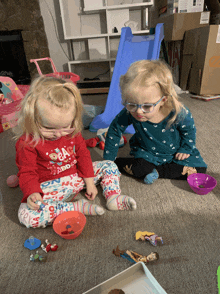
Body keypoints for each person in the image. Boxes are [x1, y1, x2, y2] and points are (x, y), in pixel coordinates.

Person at [14, 76, 136, 228]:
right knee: (27, 215)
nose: (59, 134)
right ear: (32, 118)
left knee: (109, 165)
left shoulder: (73, 133)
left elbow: (83, 155)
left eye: (66, 126)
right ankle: (76, 207)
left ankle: (113, 197)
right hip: (49, 187)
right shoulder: (27, 142)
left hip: (76, 176)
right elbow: (27, 172)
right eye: (49, 128)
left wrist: (89, 182)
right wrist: (33, 193)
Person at [103, 60, 207, 184]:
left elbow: (189, 131)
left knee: (199, 170)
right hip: (147, 152)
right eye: (131, 104)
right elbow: (115, 129)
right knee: (139, 169)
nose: (139, 112)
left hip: (176, 153)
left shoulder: (178, 112)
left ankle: (158, 171)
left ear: (163, 100)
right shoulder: (130, 112)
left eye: (147, 106)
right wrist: (109, 161)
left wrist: (186, 148)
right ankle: (121, 163)